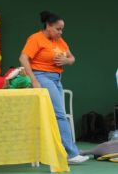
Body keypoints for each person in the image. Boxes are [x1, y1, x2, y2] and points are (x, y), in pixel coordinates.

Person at [19, 11, 89, 164]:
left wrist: (66, 60)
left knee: (57, 115)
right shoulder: (36, 38)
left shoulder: (59, 41)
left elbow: (72, 58)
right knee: (60, 114)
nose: (60, 32)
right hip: (42, 77)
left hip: (57, 79)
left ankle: (65, 150)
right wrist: (34, 80)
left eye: (62, 29)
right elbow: (23, 58)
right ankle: (72, 154)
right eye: (58, 29)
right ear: (48, 26)